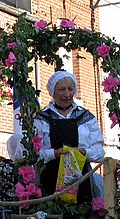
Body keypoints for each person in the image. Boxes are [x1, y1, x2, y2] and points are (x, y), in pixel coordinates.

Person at [34, 71, 104, 204]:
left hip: (81, 178)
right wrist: (54, 153)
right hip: (51, 179)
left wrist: (84, 152)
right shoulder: (42, 118)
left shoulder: (86, 117)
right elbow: (34, 153)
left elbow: (99, 151)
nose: (67, 94)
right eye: (61, 90)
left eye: (70, 89)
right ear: (52, 92)